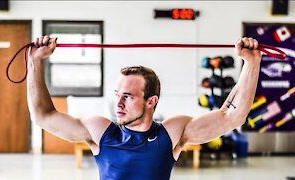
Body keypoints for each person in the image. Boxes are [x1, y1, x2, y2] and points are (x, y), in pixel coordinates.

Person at [27, 36, 261, 180]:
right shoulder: (100, 131)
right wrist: (35, 61)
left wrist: (251, 64)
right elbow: (43, 116)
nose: (118, 103)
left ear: (152, 101)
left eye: (127, 97)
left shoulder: (171, 133)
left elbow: (232, 116)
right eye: (117, 95)